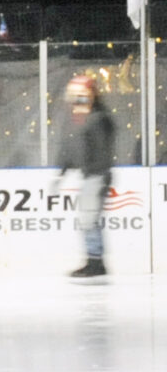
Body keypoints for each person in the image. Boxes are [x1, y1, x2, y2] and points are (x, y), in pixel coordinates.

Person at [57, 73, 117, 279]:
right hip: (92, 175)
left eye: (80, 96)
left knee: (89, 219)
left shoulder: (98, 118)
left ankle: (95, 262)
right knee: (87, 219)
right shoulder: (84, 117)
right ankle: (94, 260)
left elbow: (99, 148)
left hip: (97, 175)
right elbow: (76, 148)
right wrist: (63, 171)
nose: (76, 101)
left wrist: (97, 174)